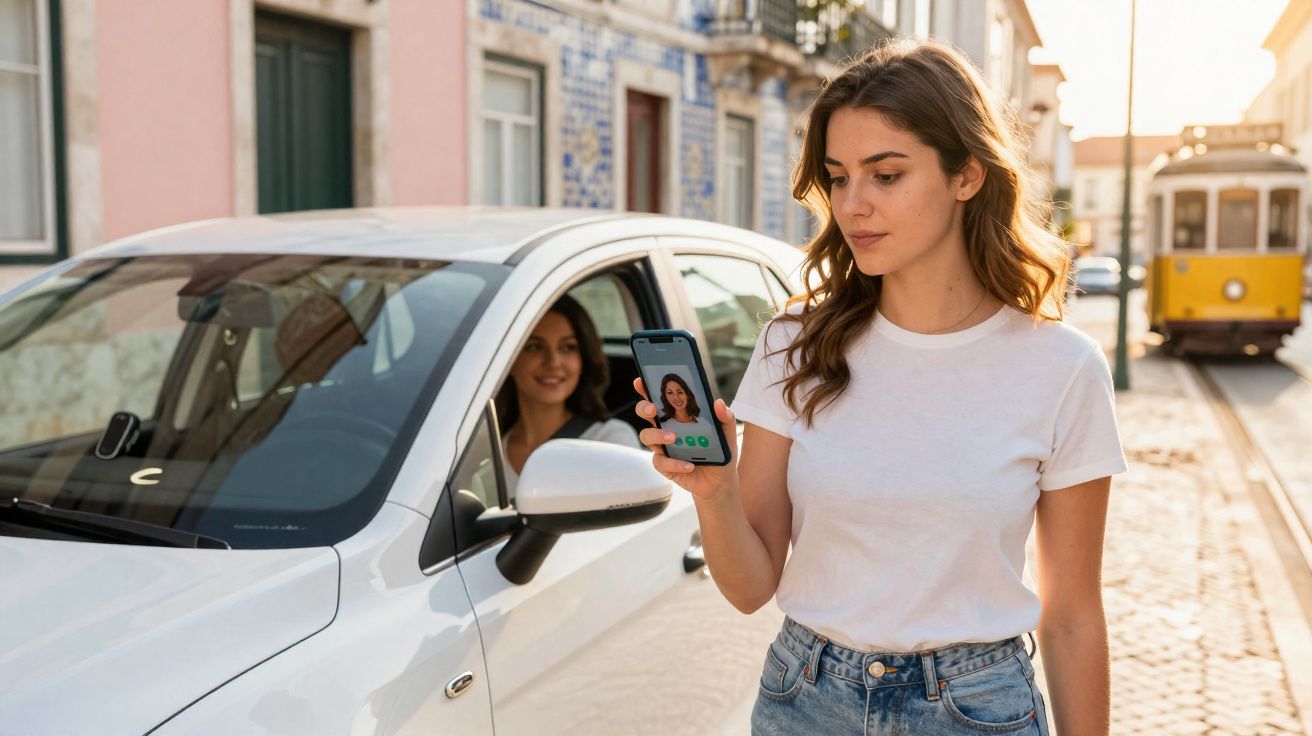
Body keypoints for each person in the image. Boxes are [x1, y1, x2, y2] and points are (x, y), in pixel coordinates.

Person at [633, 39, 1126, 736]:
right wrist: (716, 495)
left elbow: (1073, 614)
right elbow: (749, 590)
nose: (853, 205)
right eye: (837, 177)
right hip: (806, 699)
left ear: (967, 175)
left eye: (886, 175)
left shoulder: (1062, 368)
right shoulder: (793, 346)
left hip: (975, 710)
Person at [494, 294, 643, 495]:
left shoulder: (610, 441)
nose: (553, 362)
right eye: (534, 347)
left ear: (583, 361)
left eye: (568, 348)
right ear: (509, 361)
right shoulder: (485, 450)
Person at [656, 373, 717, 449]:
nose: (676, 398)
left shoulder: (704, 424)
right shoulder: (663, 426)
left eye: (680, 392)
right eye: (670, 393)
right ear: (665, 396)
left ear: (687, 394)